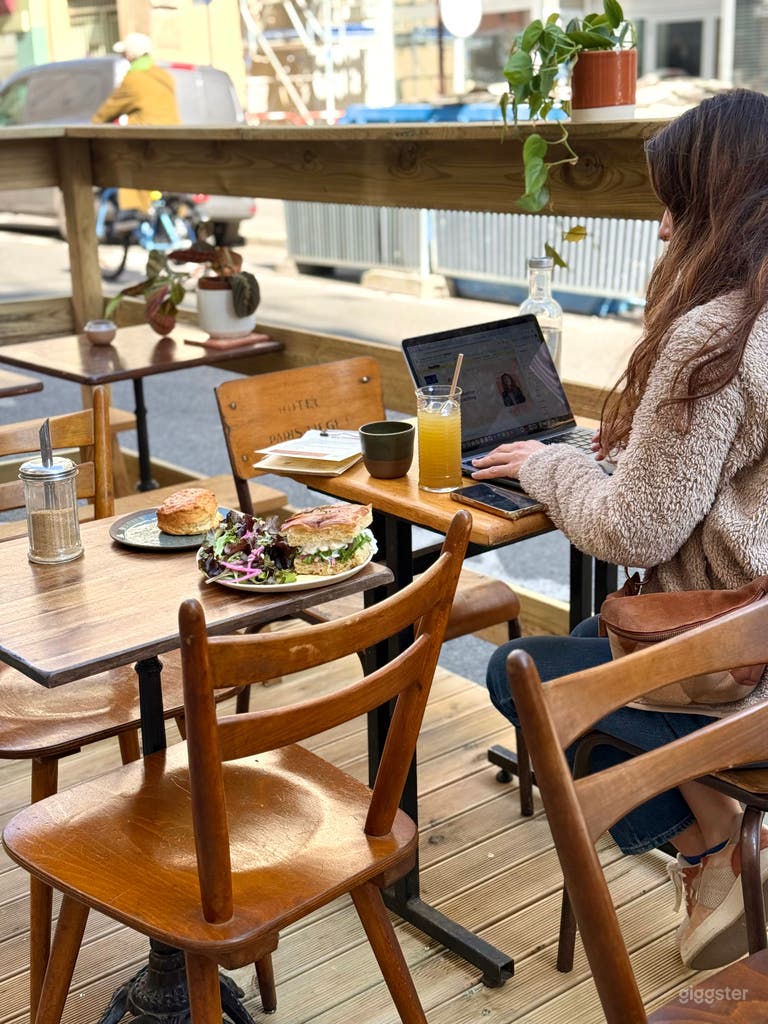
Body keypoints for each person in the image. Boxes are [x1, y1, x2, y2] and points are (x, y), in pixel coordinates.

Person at [473, 88, 768, 972]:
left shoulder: (715, 334)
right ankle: (728, 832)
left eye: (672, 199)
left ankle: (709, 849)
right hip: (760, 617)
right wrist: (641, 439)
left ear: (712, 202)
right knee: (590, 646)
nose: (662, 224)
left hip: (723, 646)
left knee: (516, 675)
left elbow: (634, 530)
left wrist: (543, 465)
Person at [91, 32, 180, 224]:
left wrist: (94, 124)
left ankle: (132, 212)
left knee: (126, 163)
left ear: (130, 56)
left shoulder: (134, 79)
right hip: (174, 143)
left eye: (124, 54)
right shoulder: (163, 76)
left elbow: (107, 111)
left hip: (148, 144)